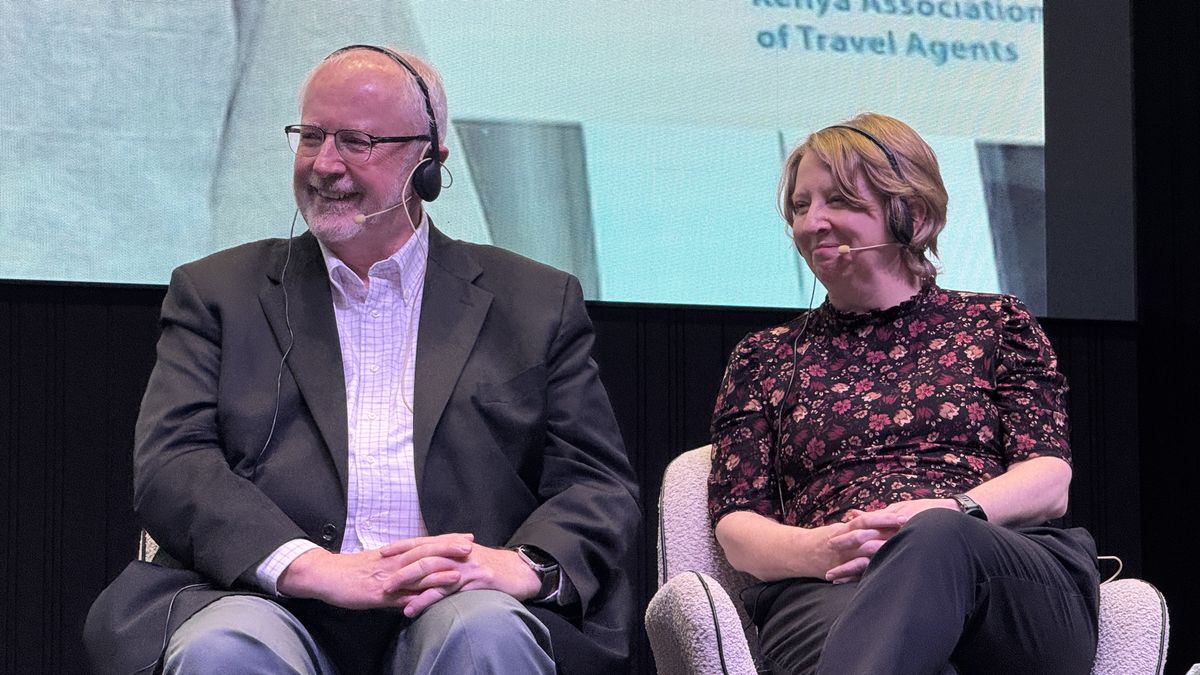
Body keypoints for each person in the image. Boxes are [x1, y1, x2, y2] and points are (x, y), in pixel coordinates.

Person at [84, 44, 638, 675]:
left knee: (487, 635)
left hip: (457, 600)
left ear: (429, 162)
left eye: (356, 141)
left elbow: (595, 483)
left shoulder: (534, 303)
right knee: (224, 649)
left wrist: (520, 564)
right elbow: (174, 464)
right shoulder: (218, 293)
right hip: (262, 596)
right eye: (311, 135)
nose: (324, 164)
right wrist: (308, 567)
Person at [708, 113, 1100, 674]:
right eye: (800, 206)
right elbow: (738, 527)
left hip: (1008, 582)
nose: (811, 222)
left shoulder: (995, 324)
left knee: (936, 536)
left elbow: (1049, 479)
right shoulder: (765, 357)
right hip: (834, 586)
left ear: (910, 215)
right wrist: (827, 549)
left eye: (838, 201)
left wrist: (945, 514)